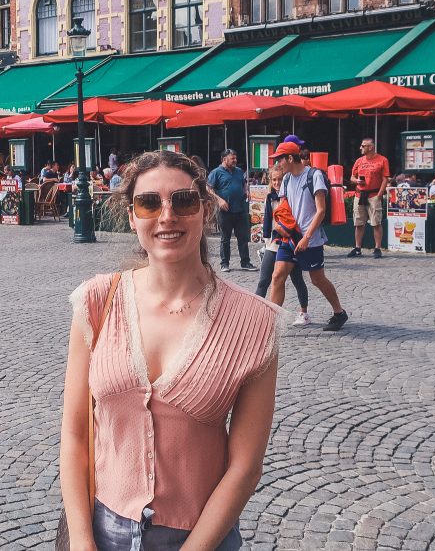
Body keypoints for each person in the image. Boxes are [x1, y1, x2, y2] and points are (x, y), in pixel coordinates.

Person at [61, 150, 279, 551]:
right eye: (148, 203)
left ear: (205, 210)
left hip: (201, 536)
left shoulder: (254, 321)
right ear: (132, 216)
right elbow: (75, 433)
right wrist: (81, 539)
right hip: (102, 530)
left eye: (183, 200)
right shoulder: (96, 300)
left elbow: (245, 468)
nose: (167, 216)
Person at [268, 141, 348, 332]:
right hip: (290, 237)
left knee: (317, 280)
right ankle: (271, 323)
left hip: (310, 240)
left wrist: (306, 237)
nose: (277, 164)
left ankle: (339, 312)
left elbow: (321, 211)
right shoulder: (286, 180)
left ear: (290, 158)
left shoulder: (314, 175)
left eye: (279, 159)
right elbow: (283, 207)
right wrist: (279, 225)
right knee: (277, 276)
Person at [255, 166, 309, 324]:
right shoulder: (270, 197)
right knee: (264, 280)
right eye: (274, 180)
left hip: (290, 242)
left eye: (280, 179)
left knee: (297, 279)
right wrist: (266, 240)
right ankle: (257, 313)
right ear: (270, 181)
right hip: (274, 243)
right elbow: (267, 220)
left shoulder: (291, 196)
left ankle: (304, 312)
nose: (277, 182)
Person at [207, 149, 255, 272]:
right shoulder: (216, 172)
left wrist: (246, 191)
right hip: (225, 212)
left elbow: (243, 183)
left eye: (235, 158)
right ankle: (224, 263)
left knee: (243, 238)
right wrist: (219, 200)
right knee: (225, 239)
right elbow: (208, 189)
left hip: (240, 209)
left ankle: (245, 262)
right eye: (232, 158)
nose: (235, 160)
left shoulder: (239, 171)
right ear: (224, 159)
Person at [348, 138, 391, 259]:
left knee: (376, 222)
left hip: (374, 195)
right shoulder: (359, 161)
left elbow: (385, 178)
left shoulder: (382, 160)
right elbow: (352, 177)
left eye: (363, 146)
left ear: (371, 147)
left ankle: (377, 248)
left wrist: (379, 195)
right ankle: (357, 248)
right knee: (358, 223)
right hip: (359, 194)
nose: (360, 148)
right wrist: (357, 181)